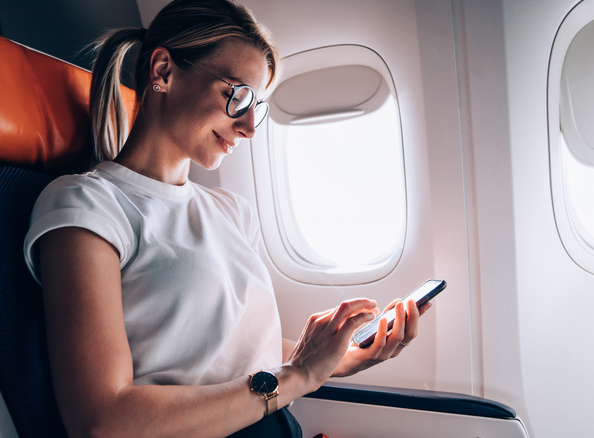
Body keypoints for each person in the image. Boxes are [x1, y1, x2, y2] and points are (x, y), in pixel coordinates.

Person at [23, 0, 431, 436]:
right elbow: (104, 422)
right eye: (236, 95)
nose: (250, 126)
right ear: (162, 71)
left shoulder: (233, 212)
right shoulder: (87, 205)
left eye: (257, 105)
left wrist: (339, 355)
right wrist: (299, 376)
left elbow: (237, 352)